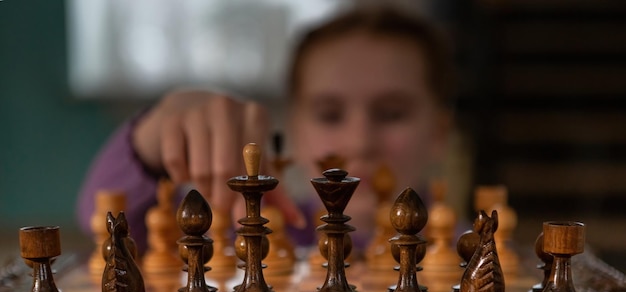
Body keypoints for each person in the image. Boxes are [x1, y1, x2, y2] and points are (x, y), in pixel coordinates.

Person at [76, 5, 455, 254]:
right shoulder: (248, 238)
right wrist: (152, 139)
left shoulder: (466, 251)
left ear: (438, 133)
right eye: (329, 114)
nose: (360, 142)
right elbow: (103, 221)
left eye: (391, 114)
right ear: (295, 129)